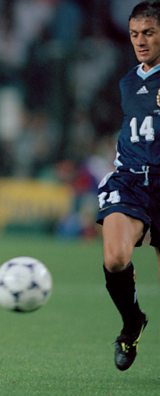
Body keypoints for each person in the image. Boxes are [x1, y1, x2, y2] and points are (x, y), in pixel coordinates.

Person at [97, 1, 160, 371]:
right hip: (132, 180)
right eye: (135, 34)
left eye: (149, 33)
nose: (140, 41)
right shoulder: (126, 81)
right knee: (116, 257)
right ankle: (132, 321)